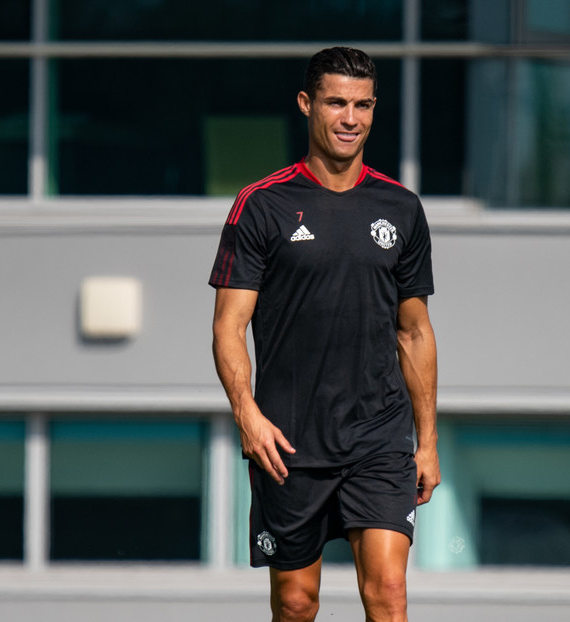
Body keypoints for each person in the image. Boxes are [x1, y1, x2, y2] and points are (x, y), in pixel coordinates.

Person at [209, 47, 439, 622]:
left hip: (379, 437)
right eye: (336, 103)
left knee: (387, 593)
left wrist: (428, 439)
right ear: (307, 104)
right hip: (289, 440)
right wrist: (247, 414)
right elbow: (228, 327)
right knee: (296, 603)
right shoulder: (261, 206)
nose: (350, 118)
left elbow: (414, 333)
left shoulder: (401, 208)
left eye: (362, 105)